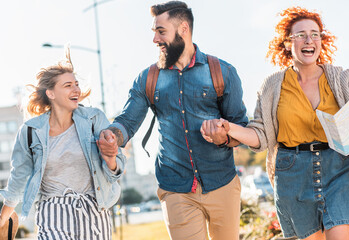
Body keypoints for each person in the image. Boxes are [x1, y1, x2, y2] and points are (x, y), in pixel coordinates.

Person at [98, 1, 248, 239]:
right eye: (154, 32)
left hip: (222, 183)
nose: (155, 40)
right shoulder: (147, 79)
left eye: (161, 31)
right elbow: (127, 121)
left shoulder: (222, 72)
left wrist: (223, 137)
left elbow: (241, 129)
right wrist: (112, 136)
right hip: (175, 187)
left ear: (183, 29)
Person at [201, 6, 349, 240]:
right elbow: (261, 136)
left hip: (338, 169)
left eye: (314, 34)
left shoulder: (344, 79)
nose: (308, 39)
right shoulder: (273, 86)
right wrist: (229, 128)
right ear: (286, 43)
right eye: (300, 35)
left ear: (322, 41)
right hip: (293, 173)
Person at [0, 50, 126, 240]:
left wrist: (111, 159)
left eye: (76, 84)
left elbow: (116, 170)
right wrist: (2, 220)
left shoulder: (94, 119)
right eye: (68, 85)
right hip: (53, 213)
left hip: (93, 210)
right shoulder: (30, 132)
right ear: (50, 93)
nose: (76, 90)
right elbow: (18, 180)